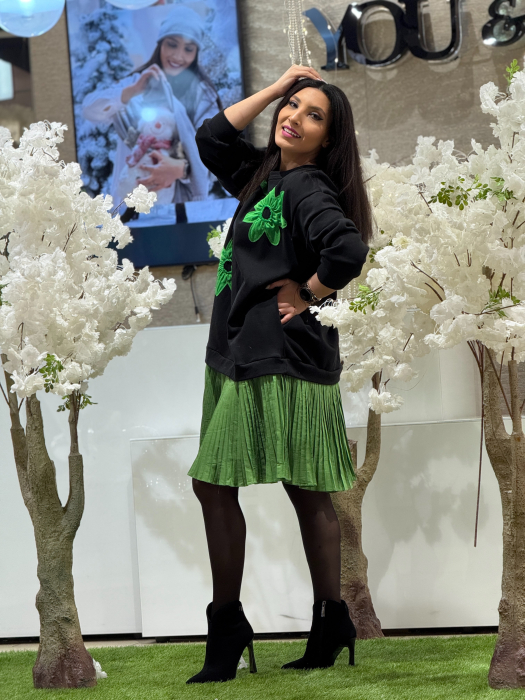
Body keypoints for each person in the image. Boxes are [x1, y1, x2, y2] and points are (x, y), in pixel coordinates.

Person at [186, 64, 372, 684]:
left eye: (313, 115)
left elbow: (348, 249)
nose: (294, 117)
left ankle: (227, 624)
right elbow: (212, 137)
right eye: (292, 107)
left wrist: (310, 292)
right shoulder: (265, 173)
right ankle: (331, 620)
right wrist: (277, 87)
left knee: (216, 485)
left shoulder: (307, 186)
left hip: (278, 354)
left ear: (329, 138)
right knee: (303, 490)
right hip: (244, 349)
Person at [82, 5, 220, 206]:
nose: (178, 56)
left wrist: (181, 169)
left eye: (188, 49)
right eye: (172, 44)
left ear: (196, 53)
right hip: (129, 205)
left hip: (179, 208)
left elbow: (215, 155)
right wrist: (131, 91)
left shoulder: (203, 96)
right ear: (161, 44)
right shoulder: (137, 82)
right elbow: (89, 110)